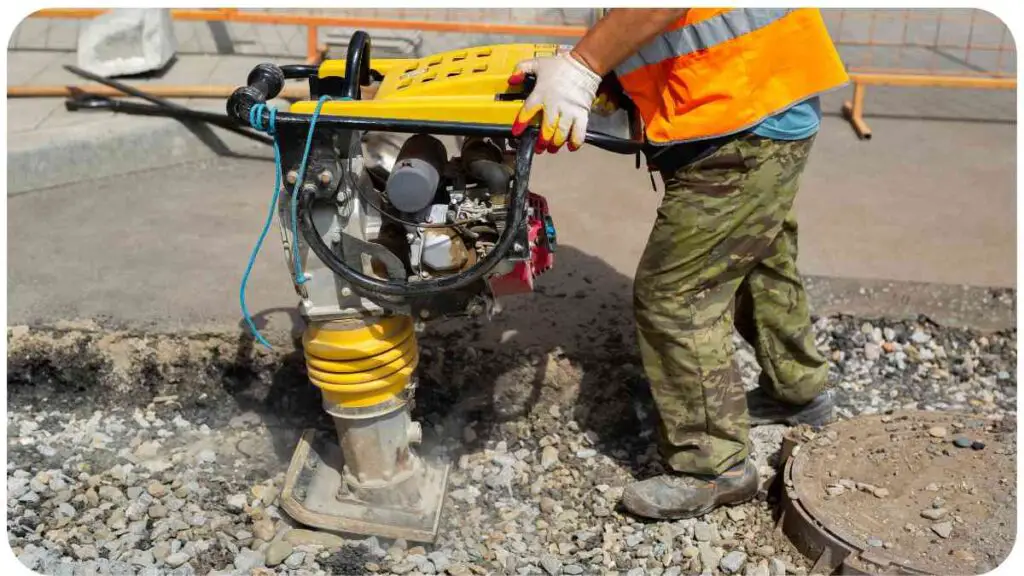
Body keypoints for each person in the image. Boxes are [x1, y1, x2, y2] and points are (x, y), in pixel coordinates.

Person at [509, 8, 849, 520]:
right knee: (756, 258)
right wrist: (612, 74)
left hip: (738, 118)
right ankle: (797, 391)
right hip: (763, 96)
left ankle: (715, 467)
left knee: (676, 295)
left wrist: (583, 65)